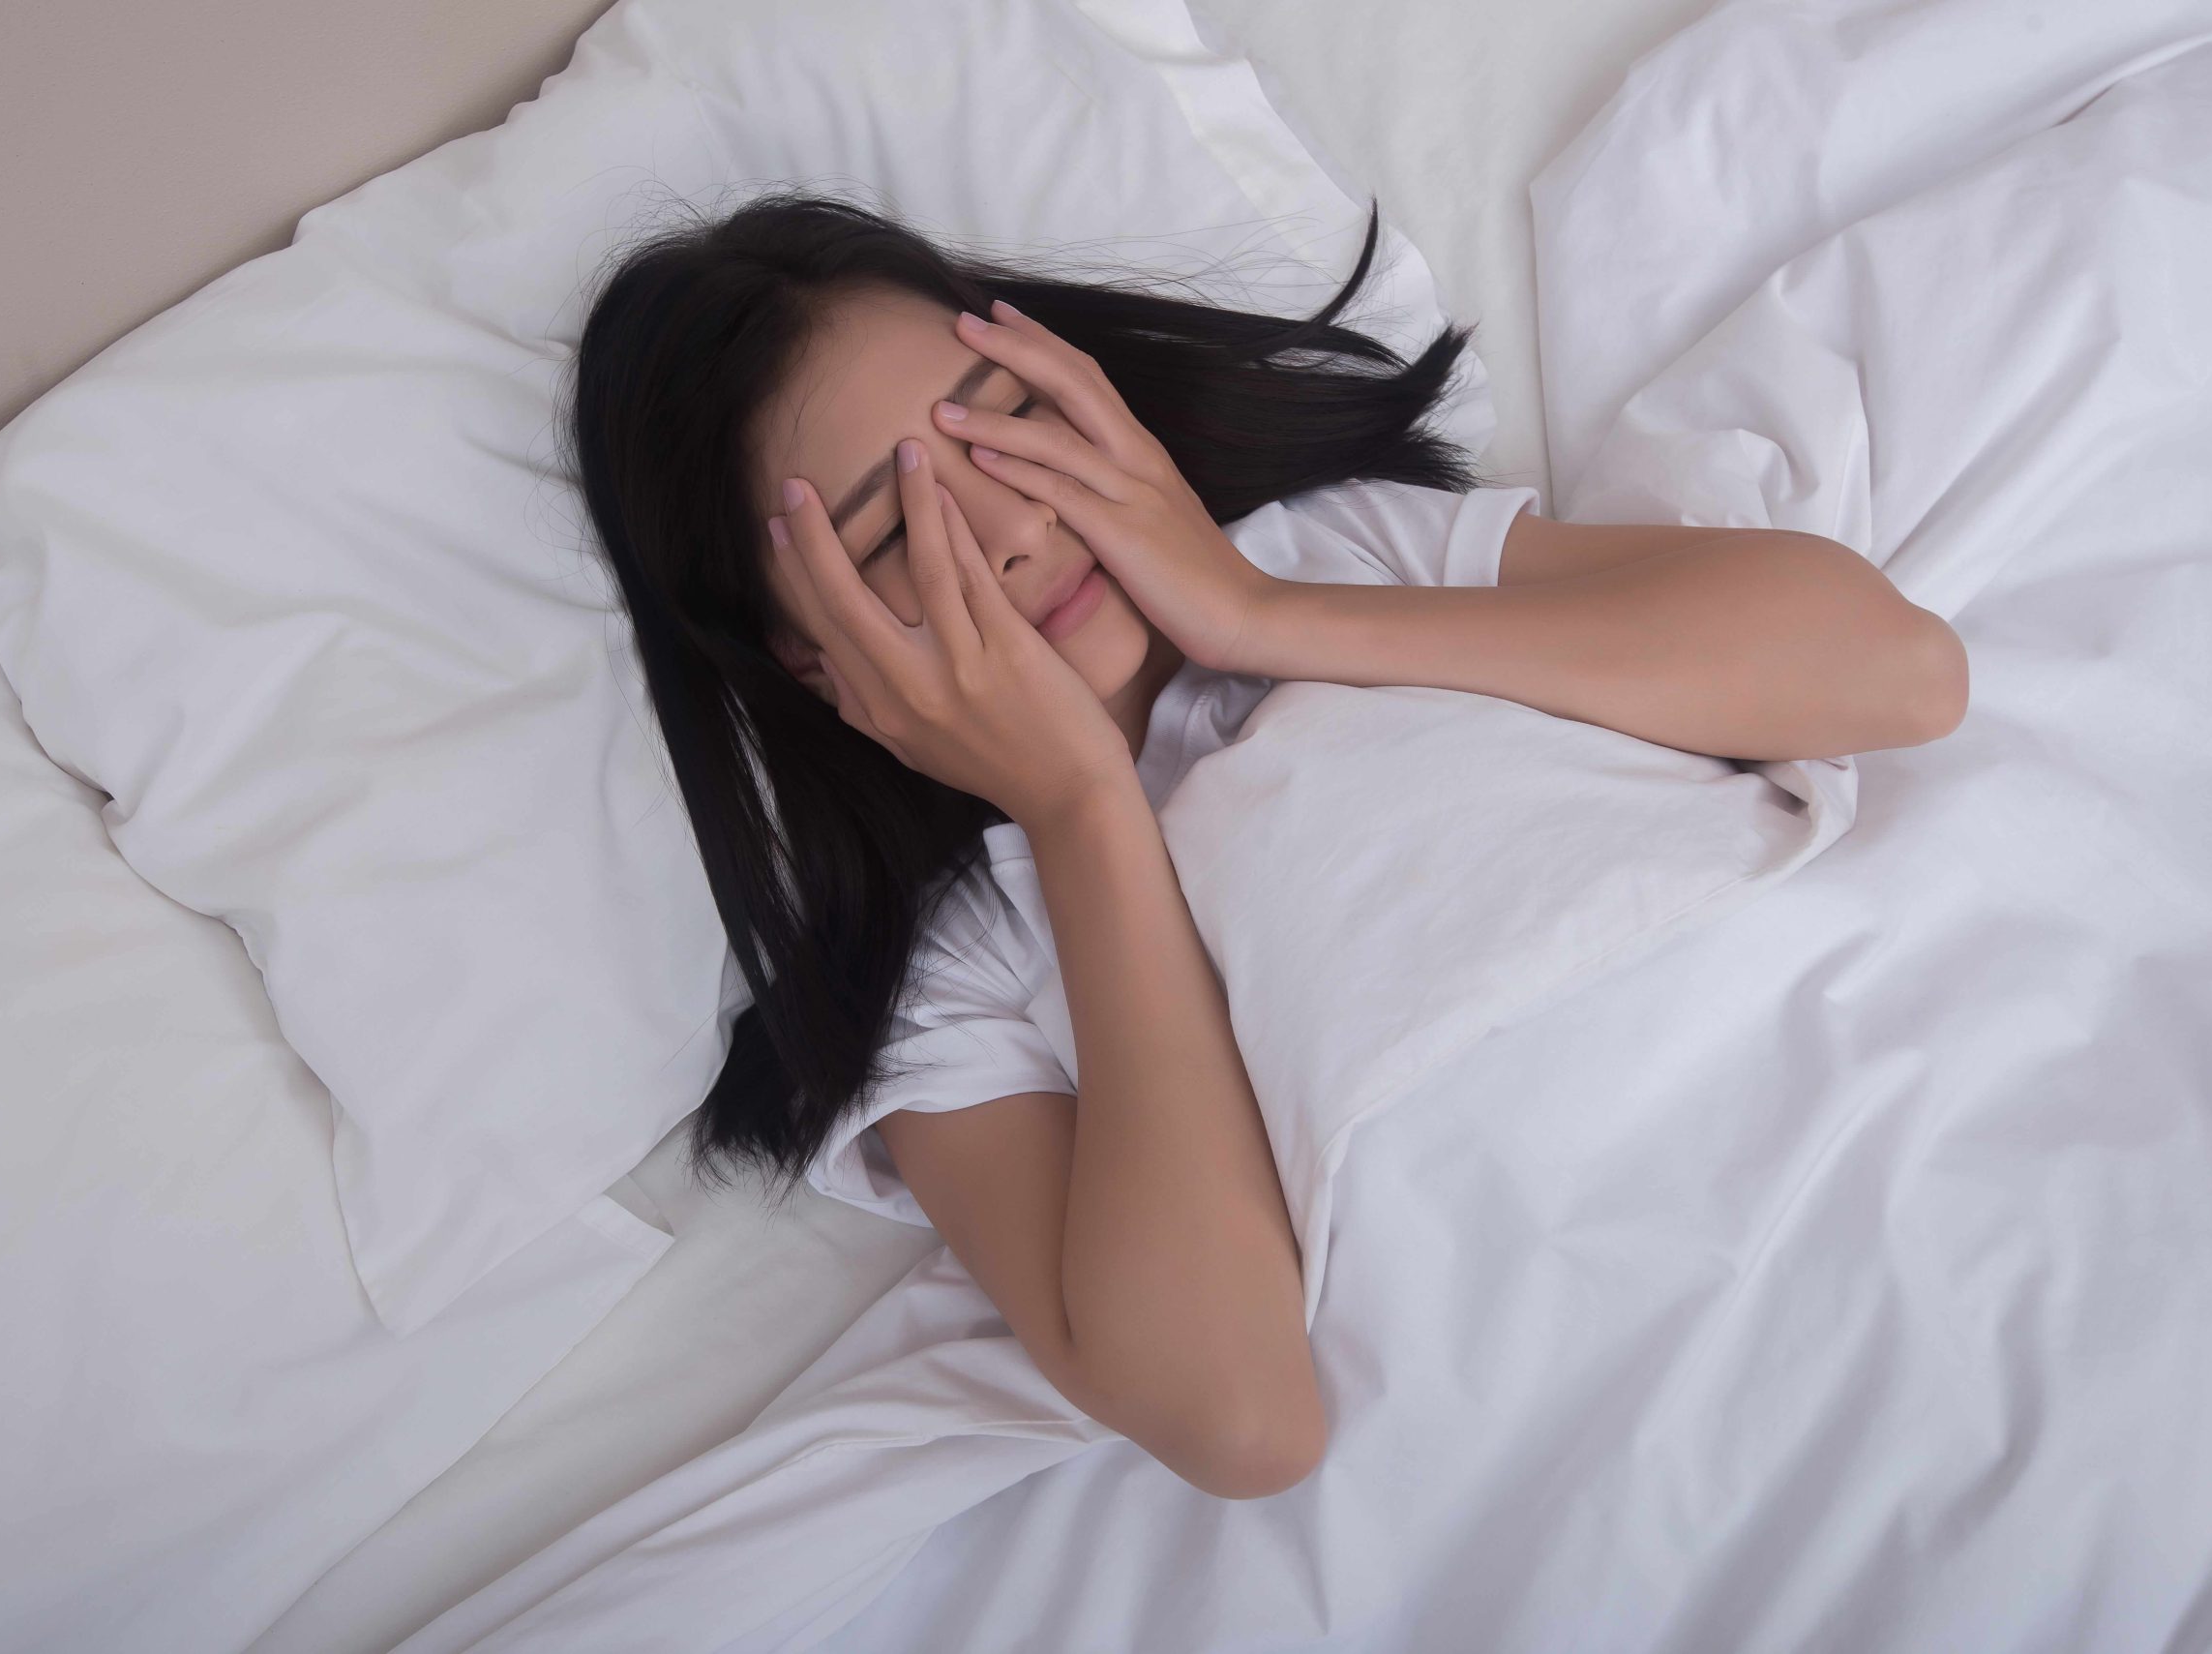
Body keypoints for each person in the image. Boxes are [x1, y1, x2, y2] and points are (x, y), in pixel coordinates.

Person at [564, 188, 1967, 1502]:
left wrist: (1261, 617)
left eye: (1002, 424)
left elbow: (1898, 676)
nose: (1005, 527)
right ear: (815, 661)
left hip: (1900, 1143)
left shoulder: (1337, 552)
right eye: (893, 534)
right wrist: (1080, 809)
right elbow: (1239, 1418)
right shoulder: (950, 979)